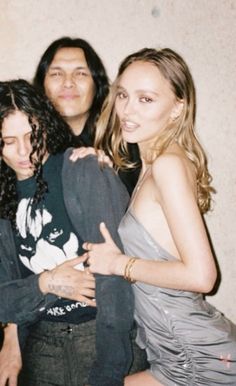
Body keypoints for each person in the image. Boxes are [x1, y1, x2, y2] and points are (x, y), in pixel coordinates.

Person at [82, 48, 236, 385]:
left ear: (177, 107)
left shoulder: (168, 165)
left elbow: (202, 277)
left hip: (198, 358)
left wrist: (117, 264)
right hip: (175, 355)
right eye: (123, 94)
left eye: (146, 99)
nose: (127, 109)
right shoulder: (154, 163)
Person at [0, 79, 135, 386]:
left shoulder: (83, 168)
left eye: (32, 135)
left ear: (46, 125)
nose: (24, 151)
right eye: (8, 141)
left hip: (99, 336)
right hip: (40, 343)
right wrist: (45, 283)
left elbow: (117, 286)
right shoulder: (2, 199)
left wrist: (109, 373)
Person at [33, 36, 141, 195]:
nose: (68, 83)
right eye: (56, 74)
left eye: (80, 73)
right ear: (42, 84)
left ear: (97, 85)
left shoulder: (124, 143)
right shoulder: (28, 146)